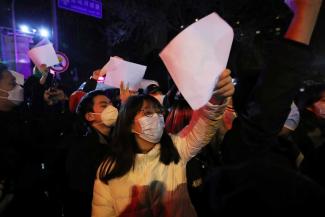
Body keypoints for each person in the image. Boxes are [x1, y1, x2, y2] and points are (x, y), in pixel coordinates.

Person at [202, 0, 325, 216]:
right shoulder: (241, 161)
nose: (287, 109)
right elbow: (263, 115)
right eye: (284, 102)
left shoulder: (293, 148)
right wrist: (304, 15)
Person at [92, 69, 234, 217]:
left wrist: (216, 98)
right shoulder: (109, 170)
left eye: (159, 111)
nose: (157, 117)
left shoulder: (176, 148)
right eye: (147, 113)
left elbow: (204, 124)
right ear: (129, 124)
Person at [63, 90, 119, 217]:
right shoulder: (81, 148)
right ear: (90, 116)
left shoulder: (115, 142)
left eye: (111, 104)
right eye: (104, 105)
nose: (111, 108)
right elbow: (82, 191)